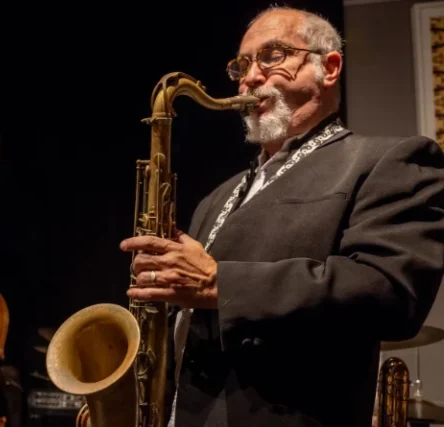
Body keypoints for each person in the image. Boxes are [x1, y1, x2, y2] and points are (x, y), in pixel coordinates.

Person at [120, 6, 444, 427]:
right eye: (241, 64)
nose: (250, 76)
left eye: (272, 55)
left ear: (328, 67)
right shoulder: (215, 198)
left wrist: (222, 283)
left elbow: (389, 291)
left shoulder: (388, 159)